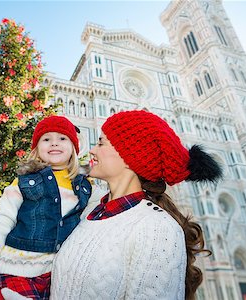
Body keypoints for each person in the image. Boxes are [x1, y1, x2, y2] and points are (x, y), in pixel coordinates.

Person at [50, 110, 222, 300]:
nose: (93, 150)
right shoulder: (90, 210)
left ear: (130, 156)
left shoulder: (159, 230)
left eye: (101, 143)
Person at [0, 115, 92, 300]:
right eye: (46, 139)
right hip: (17, 271)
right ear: (36, 149)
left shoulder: (85, 188)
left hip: (58, 279)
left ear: (74, 147)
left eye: (62, 138)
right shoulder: (23, 183)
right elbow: (1, 223)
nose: (54, 143)